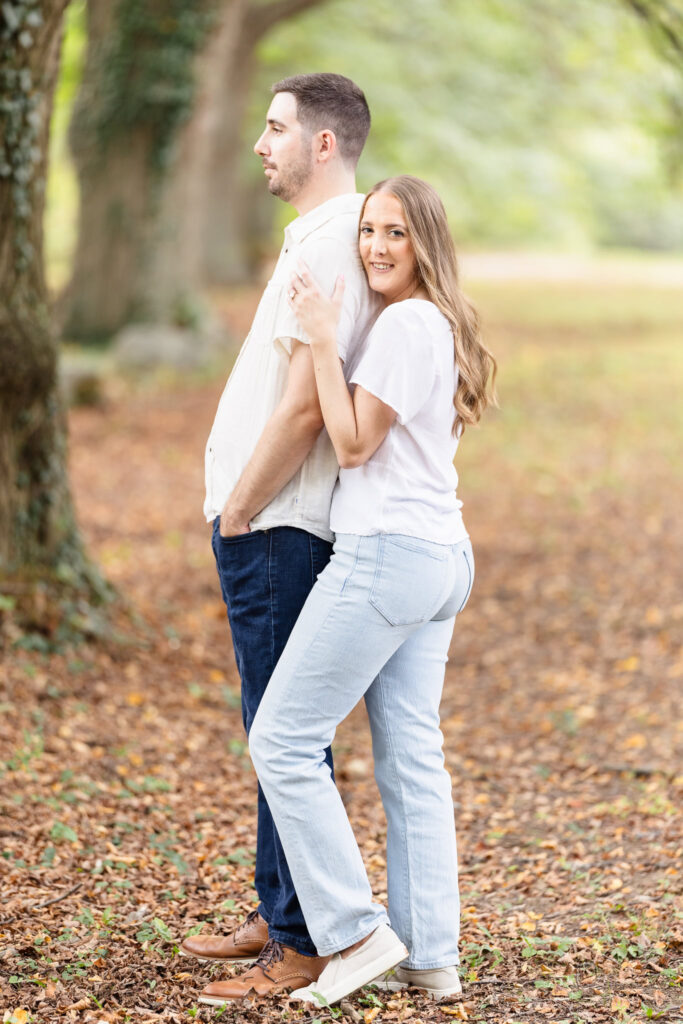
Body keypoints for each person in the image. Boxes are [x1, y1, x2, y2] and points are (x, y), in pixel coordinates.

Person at [240, 176, 497, 1008]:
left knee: (280, 738)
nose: (376, 247)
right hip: (440, 559)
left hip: (387, 555)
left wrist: (319, 337)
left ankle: (354, 930)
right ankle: (431, 955)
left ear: (427, 242)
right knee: (412, 762)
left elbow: (350, 445)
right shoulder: (441, 323)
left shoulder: (403, 325)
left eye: (396, 233)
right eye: (368, 231)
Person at [181, 73, 379, 1004]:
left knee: (284, 732)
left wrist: (241, 506)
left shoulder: (337, 240)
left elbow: (306, 403)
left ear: (325, 144)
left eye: (276, 128)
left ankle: (303, 943)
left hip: (278, 524)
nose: (262, 144)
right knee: (273, 725)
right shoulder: (315, 236)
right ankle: (280, 905)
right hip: (265, 522)